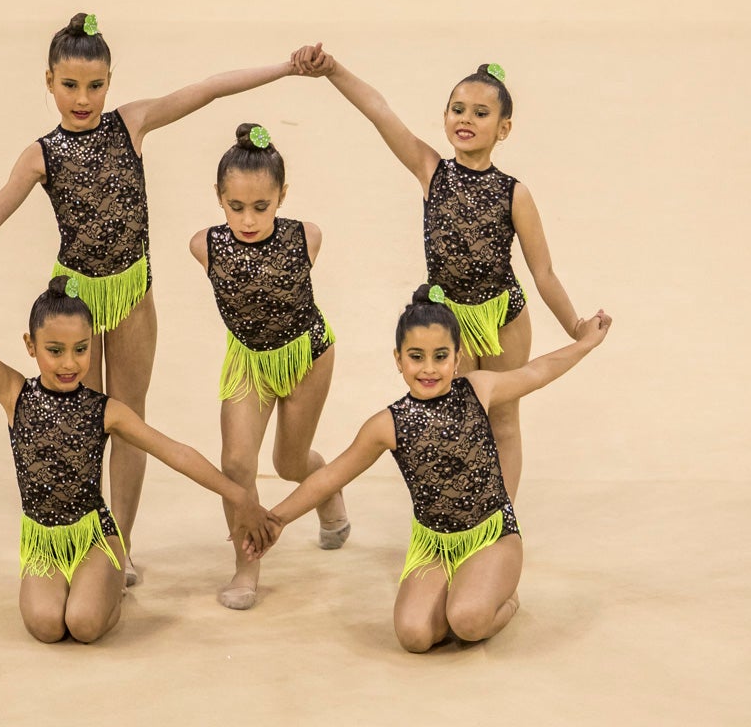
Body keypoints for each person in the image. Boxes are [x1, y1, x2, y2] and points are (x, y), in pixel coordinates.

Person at [0, 14, 321, 585]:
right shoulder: (41, 154)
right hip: (76, 300)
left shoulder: (131, 124)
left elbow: (207, 89)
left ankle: (120, 542)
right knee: (84, 418)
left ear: (110, 82)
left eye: (96, 85)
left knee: (127, 419)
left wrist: (285, 68)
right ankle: (90, 535)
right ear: (49, 81)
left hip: (130, 294)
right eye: (70, 85)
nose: (83, 99)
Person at [0, 246, 277, 644]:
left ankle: (110, 580)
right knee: (46, 625)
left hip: (93, 536)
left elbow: (174, 452)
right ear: (31, 346)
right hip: (44, 539)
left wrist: (239, 495)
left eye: (81, 350)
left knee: (83, 624)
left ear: (91, 343)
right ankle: (76, 584)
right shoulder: (14, 394)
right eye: (55, 350)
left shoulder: (105, 410)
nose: (69, 363)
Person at [291, 46, 584, 503]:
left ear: (504, 128)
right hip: (450, 322)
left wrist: (576, 326)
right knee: (457, 417)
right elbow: (379, 112)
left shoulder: (514, 194)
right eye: (457, 109)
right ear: (445, 116)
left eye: (481, 113)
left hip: (503, 316)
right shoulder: (432, 172)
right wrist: (334, 70)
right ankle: (461, 509)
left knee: (504, 420)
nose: (466, 119)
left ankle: (502, 518)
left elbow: (542, 271)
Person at [251, 285, 611, 652]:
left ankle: (505, 599)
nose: (428, 368)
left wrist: (585, 342)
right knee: (414, 636)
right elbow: (331, 476)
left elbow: (536, 372)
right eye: (416, 356)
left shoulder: (478, 389)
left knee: (467, 622)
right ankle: (465, 589)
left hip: (492, 533)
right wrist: (277, 519)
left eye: (440, 356)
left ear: (457, 357)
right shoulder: (387, 425)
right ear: (398, 359)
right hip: (435, 544)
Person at [188, 123, 349, 610]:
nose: (249, 219)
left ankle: (327, 492)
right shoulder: (205, 245)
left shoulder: (306, 237)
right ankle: (246, 565)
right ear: (219, 197)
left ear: (282, 195)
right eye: (235, 206)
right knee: (237, 463)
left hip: (306, 355)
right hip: (249, 361)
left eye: (262, 206)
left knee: (289, 464)